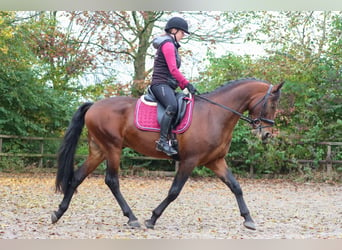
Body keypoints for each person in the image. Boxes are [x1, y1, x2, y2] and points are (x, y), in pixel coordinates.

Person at [150, 16, 197, 156]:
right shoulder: (168, 45)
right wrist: (186, 84)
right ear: (174, 30)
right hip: (160, 84)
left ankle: (173, 139)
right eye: (182, 33)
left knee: (181, 103)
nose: (183, 36)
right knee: (172, 106)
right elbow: (173, 70)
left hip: (168, 85)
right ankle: (162, 142)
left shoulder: (171, 44)